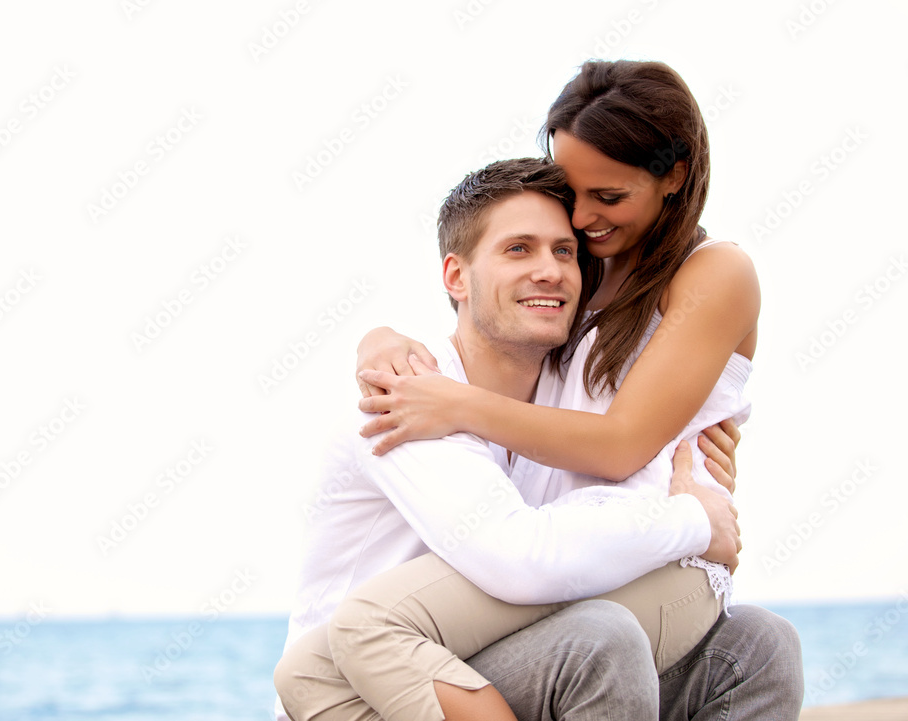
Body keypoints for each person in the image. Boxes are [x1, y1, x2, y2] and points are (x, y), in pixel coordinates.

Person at [317, 60, 802, 719]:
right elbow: (491, 326)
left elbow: (621, 442)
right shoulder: (589, 275)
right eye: (572, 193)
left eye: (606, 195)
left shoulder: (714, 271)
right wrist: (377, 337)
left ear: (673, 176)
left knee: (360, 643)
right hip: (591, 543)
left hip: (651, 550)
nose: (582, 217)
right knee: (345, 650)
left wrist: (455, 404)